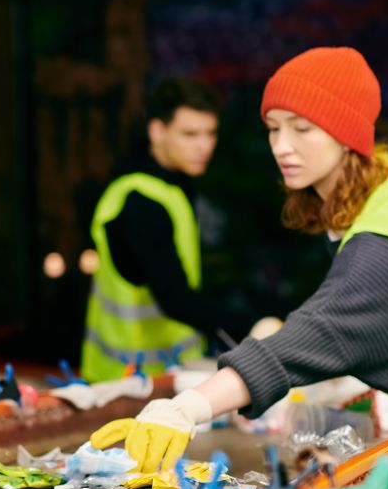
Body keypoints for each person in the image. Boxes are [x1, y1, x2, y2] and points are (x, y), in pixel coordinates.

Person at [91, 47, 388, 472]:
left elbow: (321, 332)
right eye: (274, 129)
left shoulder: (383, 246)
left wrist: (187, 408)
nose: (281, 147)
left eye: (303, 129)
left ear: (346, 134)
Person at [83, 77, 262, 382]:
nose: (204, 145)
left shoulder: (170, 183)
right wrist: (252, 325)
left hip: (167, 374)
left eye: (210, 133)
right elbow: (175, 298)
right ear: (157, 131)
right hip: (128, 381)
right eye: (190, 134)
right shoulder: (141, 202)